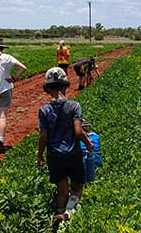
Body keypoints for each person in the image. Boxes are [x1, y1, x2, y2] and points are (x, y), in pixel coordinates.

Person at [36, 67, 93, 229]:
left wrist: (40, 155)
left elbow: (43, 137)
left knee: (62, 191)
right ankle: (68, 213)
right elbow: (78, 132)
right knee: (77, 187)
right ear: (65, 86)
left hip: (54, 155)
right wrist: (89, 145)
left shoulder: (44, 110)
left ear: (48, 88)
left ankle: (57, 220)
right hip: (73, 153)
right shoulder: (74, 106)